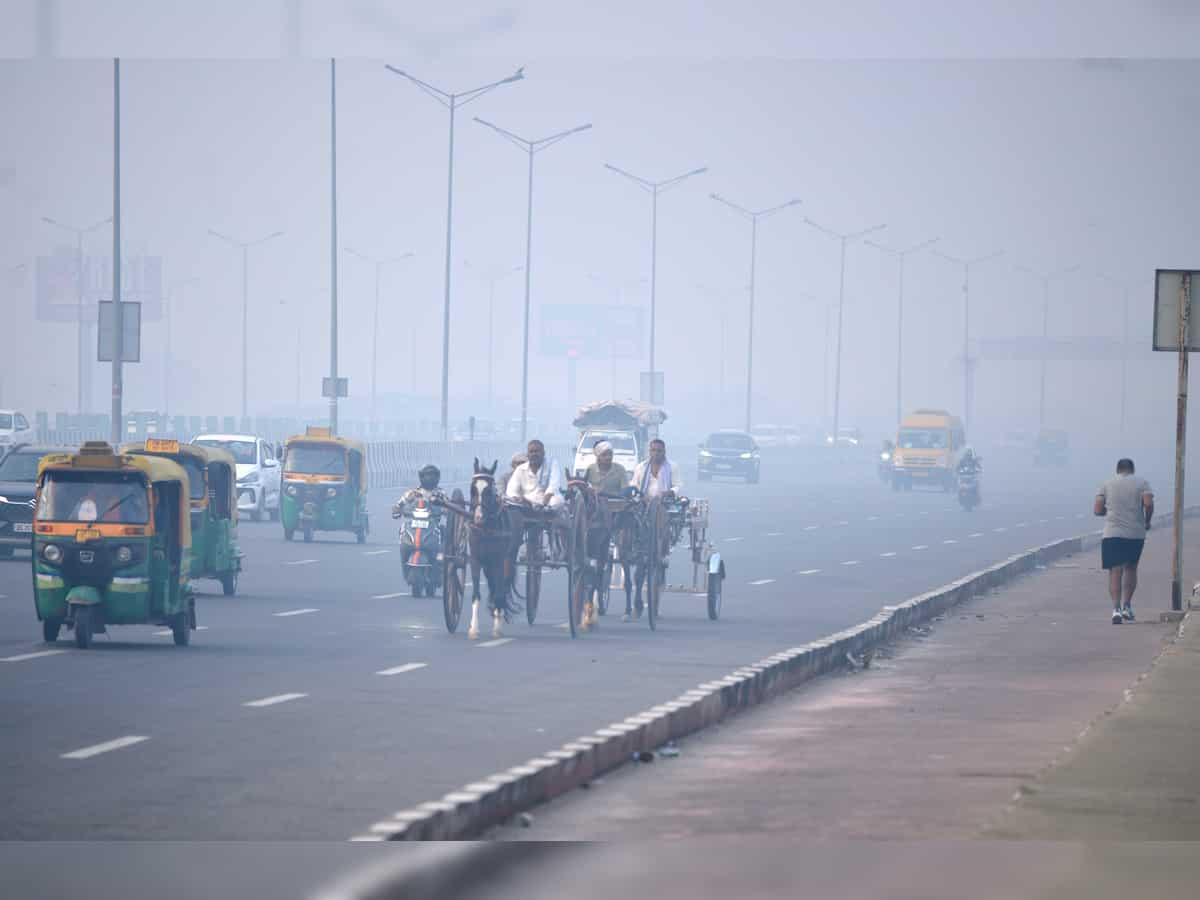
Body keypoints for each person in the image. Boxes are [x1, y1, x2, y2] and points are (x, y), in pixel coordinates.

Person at [1094, 458, 1154, 624]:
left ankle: (1116, 609)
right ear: (1132, 470)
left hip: (1112, 534)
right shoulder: (1142, 483)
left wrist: (1110, 510)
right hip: (1135, 534)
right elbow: (1148, 503)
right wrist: (1147, 521)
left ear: (1117, 470)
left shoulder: (1106, 484)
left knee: (1115, 571)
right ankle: (1127, 606)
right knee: (1131, 568)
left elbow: (1098, 510)